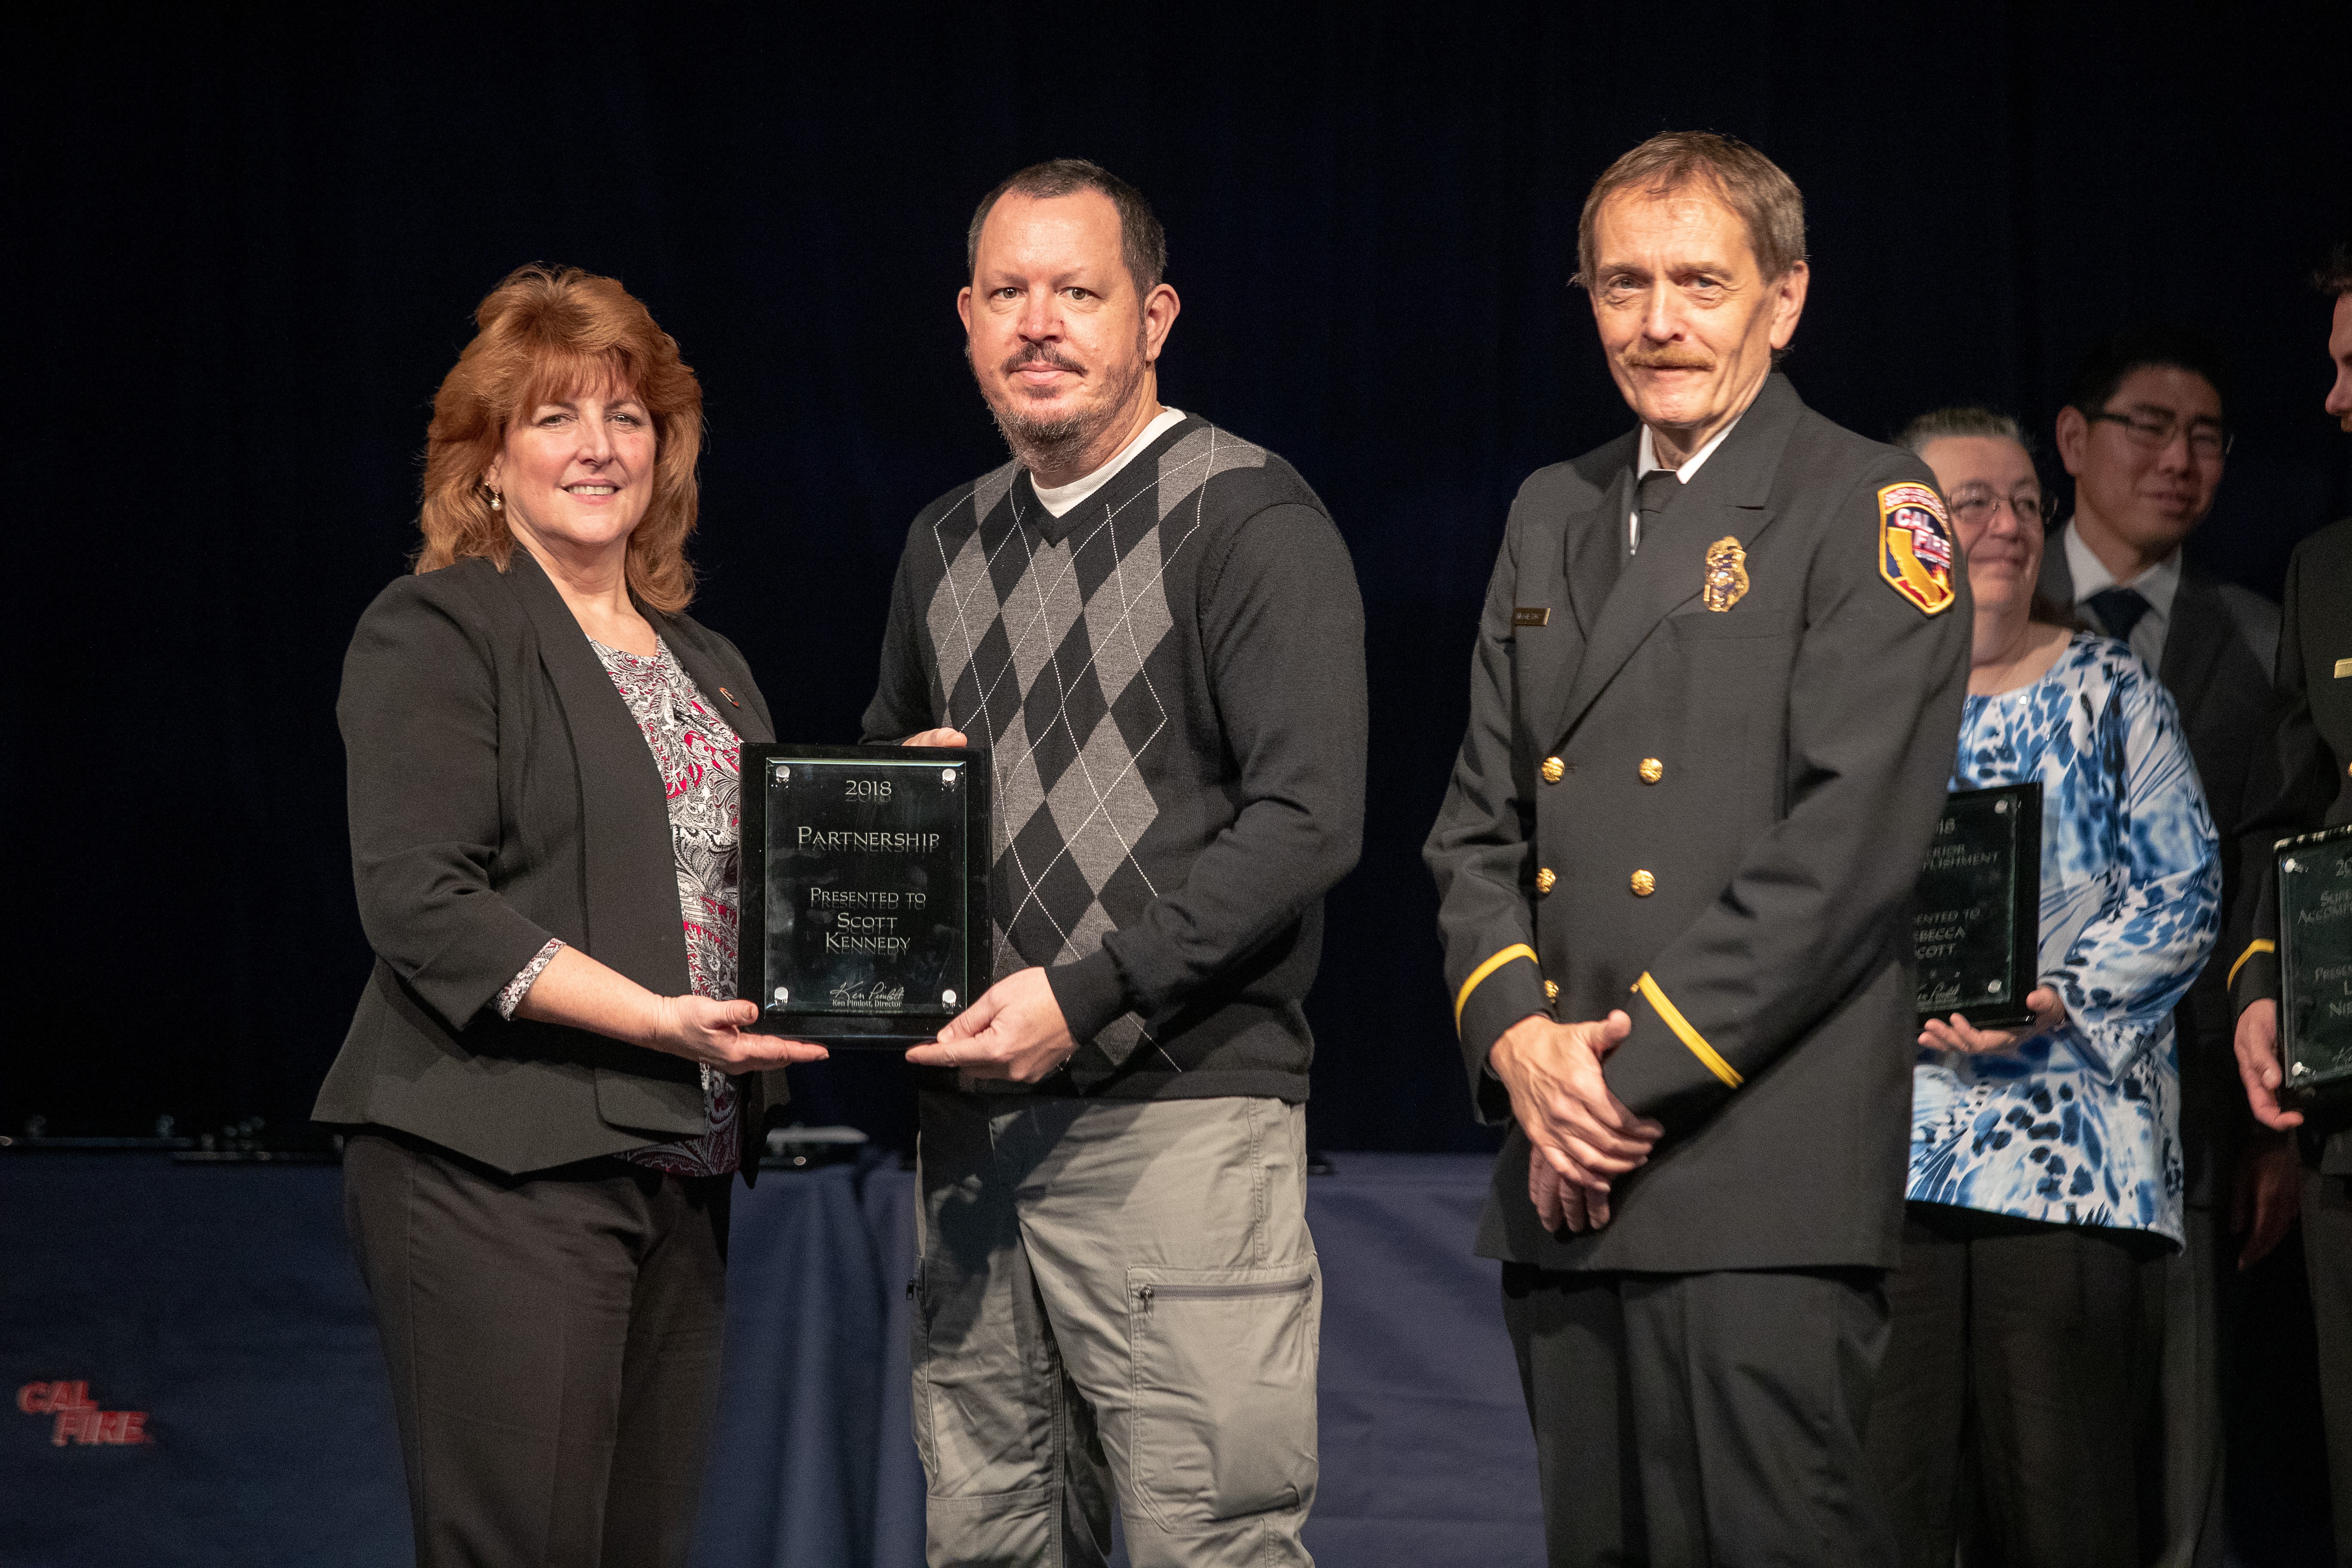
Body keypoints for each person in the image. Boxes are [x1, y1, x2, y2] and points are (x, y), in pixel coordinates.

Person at [1422, 130, 1971, 1565]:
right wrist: (1523, 1050)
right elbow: (1478, 826)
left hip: (1753, 1170)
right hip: (1566, 1167)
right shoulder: (1554, 509)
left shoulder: (1871, 504)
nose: (1657, 322)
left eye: (1699, 282)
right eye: (1622, 284)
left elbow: (1845, 855)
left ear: (1785, 301)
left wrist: (1617, 1083)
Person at [860, 159, 1366, 1568]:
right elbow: (880, 801)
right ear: (964, 319)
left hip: (1180, 1125)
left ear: (1153, 317)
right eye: (1008, 293)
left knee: (1206, 1544)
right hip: (971, 1143)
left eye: (1076, 293)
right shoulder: (944, 542)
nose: (1040, 323)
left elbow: (1310, 822)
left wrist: (1084, 993)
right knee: (992, 1545)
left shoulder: (1249, 517)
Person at [314, 266, 824, 1567]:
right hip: (501, 1157)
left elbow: (759, 882)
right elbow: (422, 904)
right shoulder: (438, 628)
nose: (599, 447)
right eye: (554, 417)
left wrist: (907, 799)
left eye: (629, 416)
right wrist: (657, 1021)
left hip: (682, 1162)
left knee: (637, 1546)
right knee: (522, 1546)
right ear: (487, 460)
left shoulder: (707, 661)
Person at [1865, 407, 2220, 1567]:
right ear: (1906, 526)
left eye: (2025, 501)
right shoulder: (1847, 713)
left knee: (2065, 1524)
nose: (2009, 526)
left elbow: (2183, 895)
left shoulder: (2116, 695)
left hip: (2072, 1175)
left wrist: (2054, 995)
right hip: (1888, 1169)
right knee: (1889, 1518)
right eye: (1973, 503)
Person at [2036, 326, 2290, 1564]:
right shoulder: (1982, 614)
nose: (2181, 459)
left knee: (2182, 1455)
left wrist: (2267, 1132)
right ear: (2074, 441)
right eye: (2150, 426)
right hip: (2000, 1105)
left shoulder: (2261, 641)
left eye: (2208, 437)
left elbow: (2268, 878)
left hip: (2187, 1109)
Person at [2232, 241, 2352, 1567]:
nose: (2331, 399)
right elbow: (2284, 813)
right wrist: (2262, 987)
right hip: (2348, 1111)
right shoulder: (2323, 572)